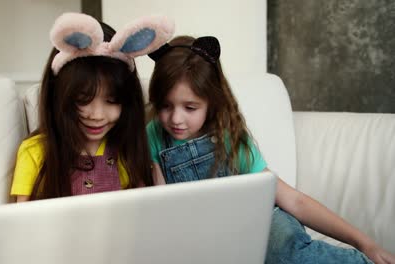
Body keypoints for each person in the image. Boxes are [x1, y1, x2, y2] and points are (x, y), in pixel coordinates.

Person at [146, 35, 395, 263]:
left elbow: (293, 200)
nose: (176, 119)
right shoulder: (154, 135)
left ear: (212, 102)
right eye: (166, 106)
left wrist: (365, 243)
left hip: (263, 222)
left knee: (288, 254)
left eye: (190, 108)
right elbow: (163, 211)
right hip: (212, 240)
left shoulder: (228, 137)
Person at [10, 12, 174, 202]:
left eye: (111, 101)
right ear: (58, 95)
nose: (97, 115)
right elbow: (20, 223)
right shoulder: (34, 152)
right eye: (83, 99)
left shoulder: (125, 150)